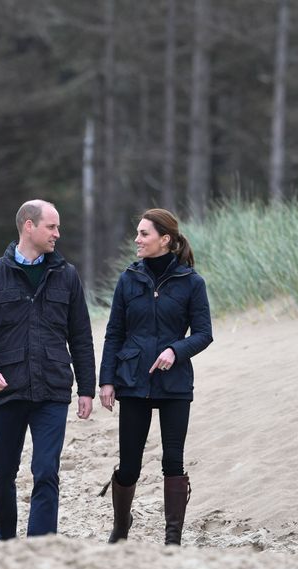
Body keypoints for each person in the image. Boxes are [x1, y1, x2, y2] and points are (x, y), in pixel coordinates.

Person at [0, 199, 96, 540]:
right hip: (7, 389)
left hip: (52, 389)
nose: (58, 233)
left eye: (57, 227)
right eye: (51, 227)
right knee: (3, 473)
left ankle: (40, 547)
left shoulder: (66, 276)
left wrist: (86, 388)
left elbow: (80, 335)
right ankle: (6, 544)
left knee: (47, 471)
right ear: (29, 226)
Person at [98, 207, 213, 546]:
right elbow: (114, 332)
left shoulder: (191, 282)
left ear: (165, 239)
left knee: (173, 461)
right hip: (132, 380)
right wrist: (107, 380)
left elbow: (204, 333)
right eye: (138, 233)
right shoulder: (128, 278)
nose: (137, 239)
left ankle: (172, 538)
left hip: (175, 383)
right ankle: (121, 527)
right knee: (129, 465)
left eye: (144, 234)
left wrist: (176, 350)